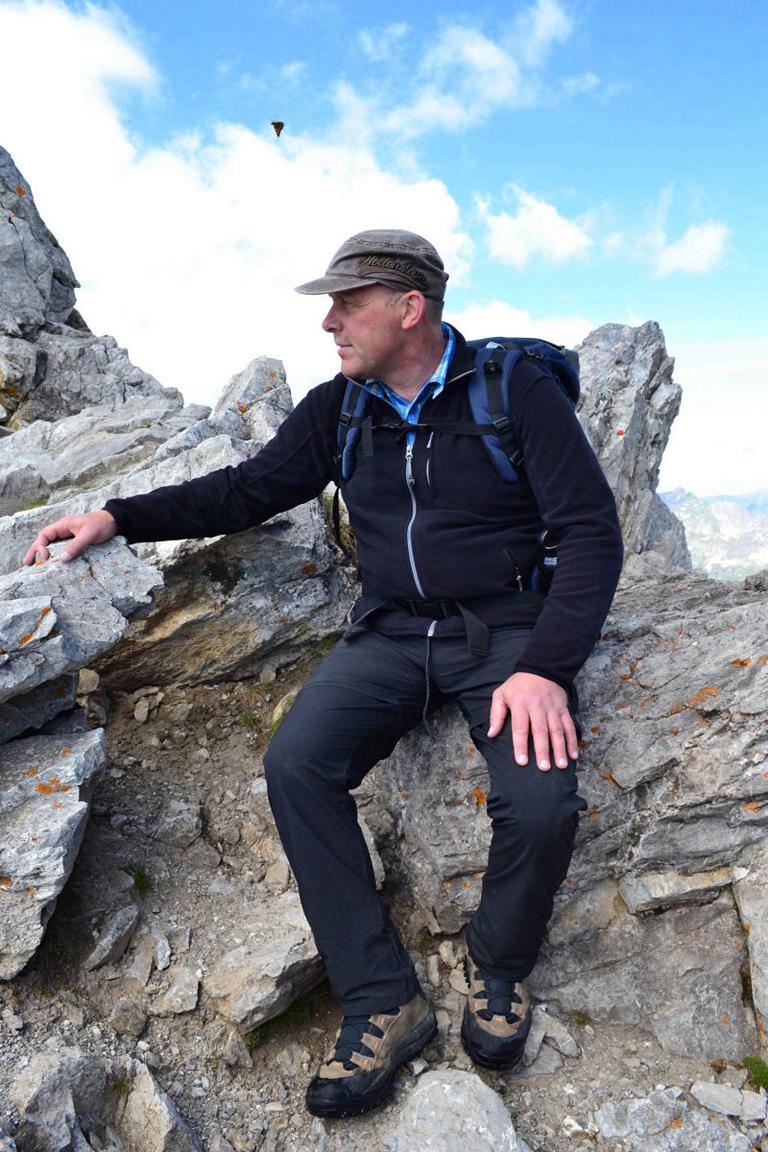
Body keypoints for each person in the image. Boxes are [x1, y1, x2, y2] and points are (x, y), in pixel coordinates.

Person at [24, 230, 624, 1119]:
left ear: (409, 308)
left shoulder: (513, 392)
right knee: (296, 763)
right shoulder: (340, 407)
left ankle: (498, 969)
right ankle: (384, 999)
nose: (329, 323)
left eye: (347, 304)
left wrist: (544, 667)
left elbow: (591, 534)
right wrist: (117, 516)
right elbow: (244, 489)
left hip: (505, 631)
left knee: (541, 803)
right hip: (390, 632)